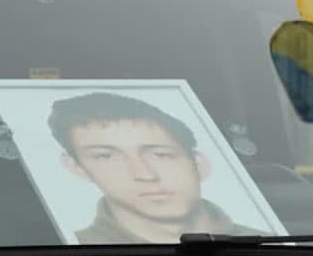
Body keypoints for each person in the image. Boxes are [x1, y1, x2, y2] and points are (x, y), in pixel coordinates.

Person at [48, 91, 262, 243]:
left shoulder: (272, 245)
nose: (145, 174)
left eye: (161, 154)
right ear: (77, 168)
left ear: (199, 164)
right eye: (106, 156)